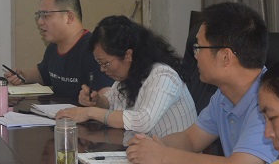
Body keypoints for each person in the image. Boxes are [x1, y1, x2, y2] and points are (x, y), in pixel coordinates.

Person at [126, 3, 279, 164]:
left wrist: (163, 155)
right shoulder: (223, 95)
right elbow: (191, 139)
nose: (195, 55)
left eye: (198, 47)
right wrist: (151, 145)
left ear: (225, 57)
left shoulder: (270, 101)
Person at [56, 15, 196, 137]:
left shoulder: (163, 75)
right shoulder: (132, 73)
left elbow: (142, 121)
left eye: (105, 63)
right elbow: (111, 102)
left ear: (128, 55)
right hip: (147, 151)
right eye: (99, 63)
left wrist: (89, 112)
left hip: (175, 156)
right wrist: (97, 100)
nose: (102, 69)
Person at [4, 0, 113, 98]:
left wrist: (95, 101)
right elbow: (43, 74)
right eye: (39, 15)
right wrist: (22, 75)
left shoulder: (94, 49)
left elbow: (107, 95)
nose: (40, 22)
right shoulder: (53, 47)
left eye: (46, 15)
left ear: (69, 17)